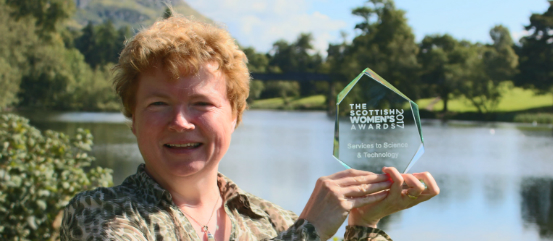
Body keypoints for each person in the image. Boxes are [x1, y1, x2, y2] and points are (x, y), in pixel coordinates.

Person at [60, 15, 439, 241]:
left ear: (235, 115)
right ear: (133, 118)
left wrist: (365, 222)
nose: (180, 121)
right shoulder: (100, 213)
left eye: (201, 104)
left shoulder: (275, 221)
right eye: (158, 104)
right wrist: (308, 233)